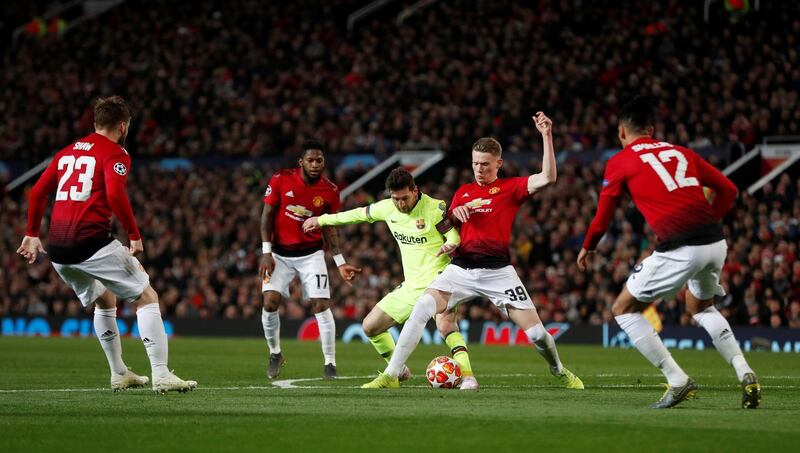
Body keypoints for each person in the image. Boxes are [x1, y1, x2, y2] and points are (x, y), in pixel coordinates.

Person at [362, 112, 584, 390]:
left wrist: (546, 136)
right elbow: (446, 224)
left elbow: (548, 177)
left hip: (499, 272)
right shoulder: (463, 191)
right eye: (475, 163)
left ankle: (559, 370)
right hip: (461, 269)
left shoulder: (510, 188)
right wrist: (455, 213)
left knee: (538, 334)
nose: (479, 169)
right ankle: (391, 375)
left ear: (498, 164)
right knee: (422, 308)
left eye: (485, 164)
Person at [577, 96, 761, 409]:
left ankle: (677, 380)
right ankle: (746, 372)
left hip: (680, 246)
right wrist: (709, 221)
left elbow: (602, 218)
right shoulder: (682, 152)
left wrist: (588, 246)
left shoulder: (620, 161)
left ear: (622, 132)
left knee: (623, 308)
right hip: (716, 243)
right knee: (701, 307)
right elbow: (729, 189)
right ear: (652, 129)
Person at [17, 96, 196, 393]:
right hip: (89, 242)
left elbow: (36, 193)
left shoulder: (66, 152)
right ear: (123, 126)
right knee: (147, 296)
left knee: (105, 299)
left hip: (58, 249)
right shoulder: (116, 153)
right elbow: (115, 195)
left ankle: (119, 373)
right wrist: (135, 235)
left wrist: (32, 232)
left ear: (96, 122)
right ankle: (162, 374)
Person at [303, 167, 478, 389]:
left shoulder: (435, 208)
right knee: (370, 326)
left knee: (446, 325)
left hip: (439, 281)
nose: (401, 204)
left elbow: (452, 233)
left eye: (404, 198)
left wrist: (451, 242)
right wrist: (322, 220)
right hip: (412, 286)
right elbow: (356, 214)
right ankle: (397, 372)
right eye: (396, 199)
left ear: (415, 191)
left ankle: (469, 377)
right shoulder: (387, 209)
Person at [259, 139, 361, 380]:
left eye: (319, 160)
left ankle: (330, 364)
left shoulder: (330, 190)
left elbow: (329, 227)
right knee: (269, 303)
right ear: (301, 162)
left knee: (320, 305)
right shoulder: (281, 179)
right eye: (310, 160)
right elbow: (267, 215)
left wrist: (340, 262)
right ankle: (275, 353)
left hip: (311, 254)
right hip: (279, 254)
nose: (315, 164)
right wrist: (266, 252)